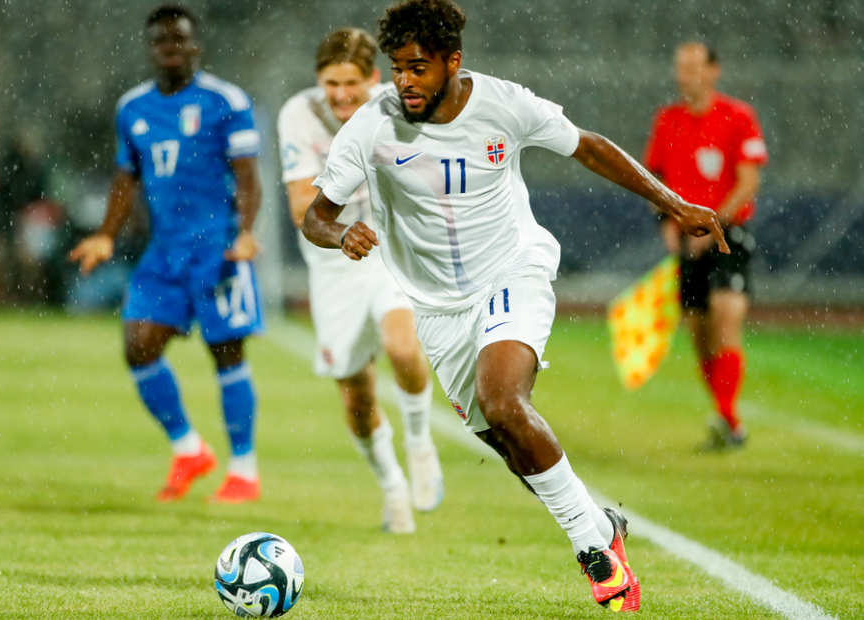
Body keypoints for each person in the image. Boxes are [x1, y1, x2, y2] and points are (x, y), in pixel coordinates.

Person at [302, 0, 730, 611]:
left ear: (453, 62)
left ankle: (593, 550)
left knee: (505, 399)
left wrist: (673, 201)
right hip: (437, 308)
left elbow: (588, 147)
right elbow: (316, 214)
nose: (405, 81)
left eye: (418, 67)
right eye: (398, 67)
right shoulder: (372, 125)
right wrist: (343, 233)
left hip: (514, 269)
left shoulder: (504, 103)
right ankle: (601, 524)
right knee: (507, 442)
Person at [68, 5, 265, 504]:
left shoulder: (226, 101)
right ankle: (189, 449)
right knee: (138, 345)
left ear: (196, 45)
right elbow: (125, 175)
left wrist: (245, 232)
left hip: (217, 248)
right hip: (164, 252)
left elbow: (247, 177)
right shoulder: (133, 108)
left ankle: (243, 469)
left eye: (179, 39)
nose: (170, 48)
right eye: (161, 41)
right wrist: (106, 234)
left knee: (226, 355)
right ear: (150, 47)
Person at [277, 28, 445, 534]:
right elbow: (300, 208)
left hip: (389, 251)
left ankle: (419, 442)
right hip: (332, 261)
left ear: (372, 78)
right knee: (356, 395)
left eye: (352, 81)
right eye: (331, 82)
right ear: (318, 80)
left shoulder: (396, 107)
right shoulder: (298, 114)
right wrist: (344, 224)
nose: (342, 93)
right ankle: (392, 488)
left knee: (401, 345)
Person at [644, 42, 767, 451]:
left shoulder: (738, 117)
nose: (684, 76)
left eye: (693, 68)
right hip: (686, 239)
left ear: (714, 71)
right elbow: (654, 180)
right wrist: (667, 222)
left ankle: (726, 419)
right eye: (680, 68)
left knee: (725, 316)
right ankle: (729, 421)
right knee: (699, 333)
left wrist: (712, 225)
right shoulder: (668, 120)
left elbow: (747, 181)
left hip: (728, 235)